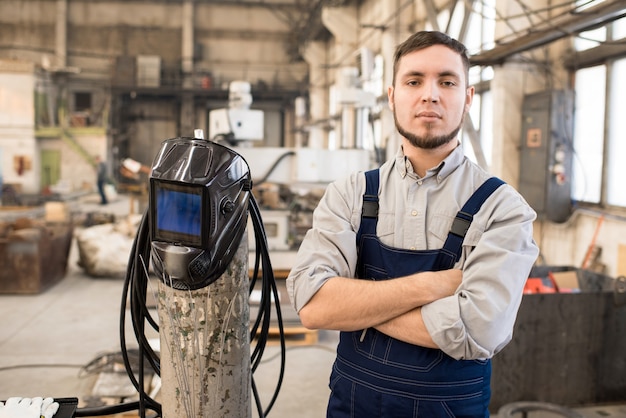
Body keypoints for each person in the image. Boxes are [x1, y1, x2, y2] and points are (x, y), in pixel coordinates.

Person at [286, 30, 539, 417]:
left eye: (448, 81)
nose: (430, 94)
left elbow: (478, 329)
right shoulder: (350, 194)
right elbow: (313, 307)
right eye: (414, 80)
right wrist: (432, 285)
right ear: (392, 96)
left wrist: (358, 305)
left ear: (468, 98)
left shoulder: (503, 210)